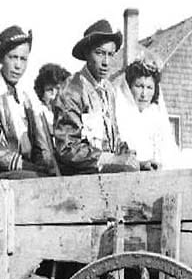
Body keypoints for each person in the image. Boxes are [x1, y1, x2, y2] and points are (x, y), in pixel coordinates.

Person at [0, 26, 55, 180]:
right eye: (13, 57)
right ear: (2, 59)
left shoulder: (25, 96)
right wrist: (20, 164)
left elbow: (40, 142)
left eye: (23, 59)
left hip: (27, 169)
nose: (18, 66)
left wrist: (44, 164)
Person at [53, 19, 137, 175]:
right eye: (99, 53)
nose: (106, 62)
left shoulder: (108, 90)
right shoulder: (72, 90)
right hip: (80, 178)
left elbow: (114, 142)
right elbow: (67, 148)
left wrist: (133, 161)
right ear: (86, 53)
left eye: (110, 54)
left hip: (106, 175)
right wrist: (110, 160)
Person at [114, 53, 180, 171]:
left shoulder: (157, 117)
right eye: (139, 86)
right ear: (129, 87)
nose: (144, 94)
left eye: (149, 88)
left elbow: (169, 154)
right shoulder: (121, 115)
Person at [33, 63, 70, 133]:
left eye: (58, 88)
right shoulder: (38, 118)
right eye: (49, 90)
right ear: (42, 94)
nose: (54, 94)